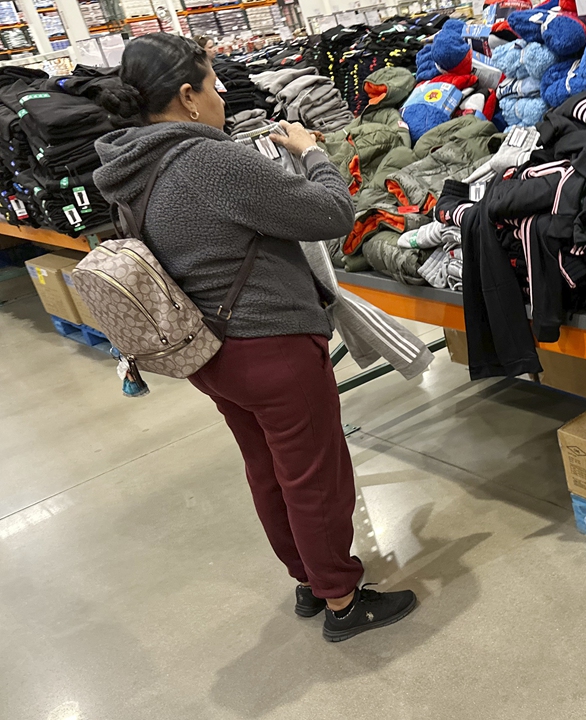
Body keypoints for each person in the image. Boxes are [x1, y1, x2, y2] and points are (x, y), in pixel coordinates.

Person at [93, 33, 418, 643]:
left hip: (208, 348)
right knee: (315, 472)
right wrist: (314, 152)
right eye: (214, 85)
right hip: (269, 342)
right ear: (187, 97)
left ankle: (310, 579)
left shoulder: (128, 165)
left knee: (268, 468)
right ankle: (344, 600)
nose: (221, 97)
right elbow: (329, 215)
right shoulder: (206, 160)